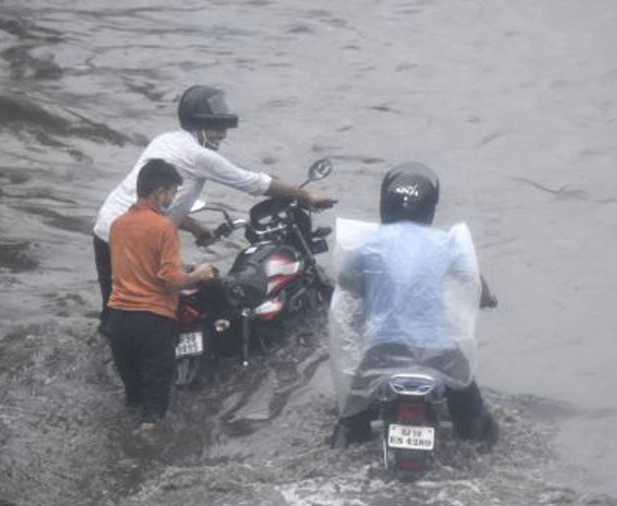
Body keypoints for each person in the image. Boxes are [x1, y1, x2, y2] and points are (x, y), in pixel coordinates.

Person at [93, 85, 336, 333]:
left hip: (106, 229)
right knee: (157, 308)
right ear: (200, 125)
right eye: (218, 130)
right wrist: (305, 195)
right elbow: (252, 182)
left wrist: (196, 228)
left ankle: (109, 355)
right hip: (136, 239)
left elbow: (156, 199)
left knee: (116, 307)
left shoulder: (165, 141)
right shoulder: (199, 155)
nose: (223, 136)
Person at [329, 162, 497, 447]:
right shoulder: (446, 243)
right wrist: (487, 299)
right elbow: (472, 281)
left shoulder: (365, 244)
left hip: (381, 351)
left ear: (385, 204)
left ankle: (336, 460)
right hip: (440, 351)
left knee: (350, 421)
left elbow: (348, 284)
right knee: (475, 420)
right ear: (430, 207)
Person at [106, 158, 217, 432]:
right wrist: (199, 274)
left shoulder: (118, 225)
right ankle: (146, 458)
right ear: (160, 192)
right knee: (154, 410)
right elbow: (169, 281)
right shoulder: (163, 226)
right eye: (172, 193)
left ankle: (123, 449)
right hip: (152, 323)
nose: (172, 199)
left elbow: (131, 269)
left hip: (118, 321)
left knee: (132, 398)